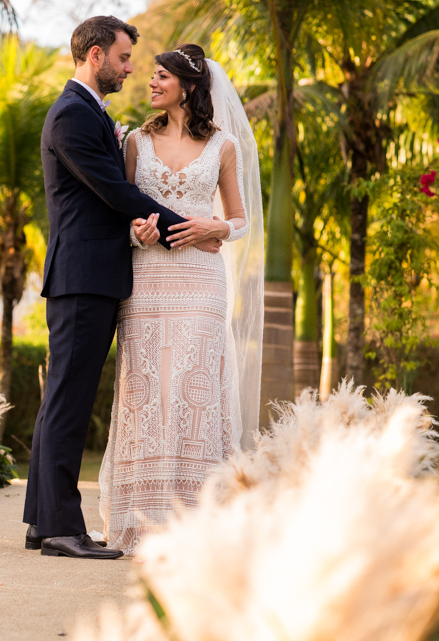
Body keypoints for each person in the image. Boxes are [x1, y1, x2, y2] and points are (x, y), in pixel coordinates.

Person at [22, 17, 223, 560]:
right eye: (124, 57)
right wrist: (186, 227)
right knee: (69, 401)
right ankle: (64, 528)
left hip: (90, 275)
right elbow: (114, 191)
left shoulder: (89, 113)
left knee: (60, 399)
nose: (131, 68)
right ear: (94, 55)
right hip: (84, 277)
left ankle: (42, 521)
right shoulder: (72, 115)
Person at [98, 44, 265, 555]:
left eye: (161, 75)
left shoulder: (224, 146)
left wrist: (216, 226)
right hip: (146, 279)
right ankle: (138, 521)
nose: (150, 82)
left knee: (194, 391)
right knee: (146, 389)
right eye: (150, 74)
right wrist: (138, 231)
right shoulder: (137, 142)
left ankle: (198, 522)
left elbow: (240, 219)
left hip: (200, 283)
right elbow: (122, 211)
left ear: (188, 87)